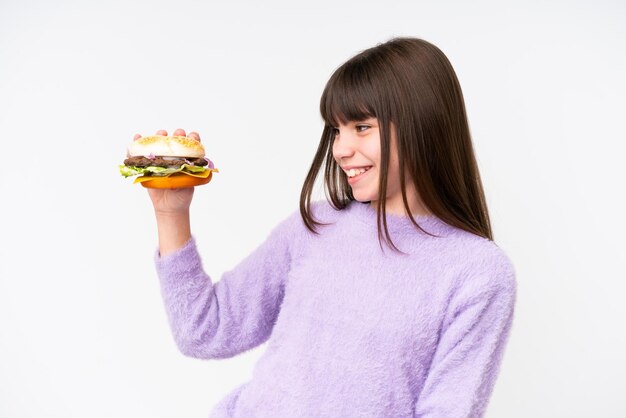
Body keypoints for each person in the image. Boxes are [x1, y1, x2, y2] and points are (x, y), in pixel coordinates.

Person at [138, 37, 517, 417]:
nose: (340, 149)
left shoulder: (477, 272)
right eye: (337, 129)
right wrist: (171, 211)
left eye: (362, 127)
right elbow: (204, 331)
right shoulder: (315, 227)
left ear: (424, 123)